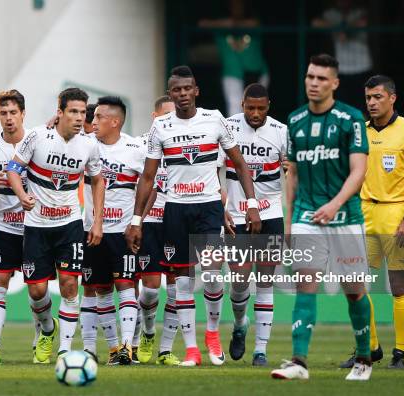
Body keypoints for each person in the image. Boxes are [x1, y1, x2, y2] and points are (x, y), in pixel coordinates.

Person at [126, 65, 261, 367]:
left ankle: (212, 336)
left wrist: (251, 203)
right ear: (171, 93)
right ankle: (191, 350)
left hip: (209, 207)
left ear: (196, 90)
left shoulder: (215, 119)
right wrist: (136, 220)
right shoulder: (160, 128)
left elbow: (239, 164)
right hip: (175, 209)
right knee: (182, 282)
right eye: (177, 90)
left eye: (188, 89)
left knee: (213, 274)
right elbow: (147, 178)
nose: (183, 94)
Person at [270, 54, 372, 381]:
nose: (314, 83)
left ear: (335, 83)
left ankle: (364, 358)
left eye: (321, 79)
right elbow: (294, 175)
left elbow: (359, 171)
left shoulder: (351, 119)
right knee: (305, 285)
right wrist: (289, 222)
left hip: (345, 217)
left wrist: (335, 204)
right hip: (305, 216)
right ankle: (299, 361)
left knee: (354, 291)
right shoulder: (295, 120)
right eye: (310, 77)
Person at [340, 75, 404, 370]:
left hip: (396, 213)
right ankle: (371, 347)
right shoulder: (360, 132)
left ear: (392, 98)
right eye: (368, 98)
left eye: (378, 97)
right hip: (365, 212)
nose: (372, 103)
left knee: (399, 285)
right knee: (357, 284)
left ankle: (400, 354)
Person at [6, 87, 105, 364]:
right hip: (36, 225)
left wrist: (97, 220)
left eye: (82, 112)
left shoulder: (88, 145)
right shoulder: (37, 136)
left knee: (69, 286)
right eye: (72, 111)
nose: (78, 117)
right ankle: (48, 329)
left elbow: (98, 180)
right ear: (59, 112)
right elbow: (14, 169)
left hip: (70, 224)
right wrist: (22, 195)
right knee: (37, 291)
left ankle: (64, 349)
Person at [218, 83, 287, 367]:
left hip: (271, 214)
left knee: (266, 282)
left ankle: (260, 350)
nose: (255, 113)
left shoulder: (282, 132)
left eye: (260, 108)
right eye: (250, 107)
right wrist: (221, 206)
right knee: (240, 280)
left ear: (268, 106)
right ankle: (239, 324)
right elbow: (214, 170)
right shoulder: (227, 127)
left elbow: (291, 175)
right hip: (236, 213)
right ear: (242, 104)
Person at [0, 89, 46, 363]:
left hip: (35, 227)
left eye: (13, 113)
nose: (8, 118)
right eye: (3, 113)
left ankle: (44, 331)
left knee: (37, 290)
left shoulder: (37, 142)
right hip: (4, 226)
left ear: (23, 114)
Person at [80, 96, 145, 365]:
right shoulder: (84, 146)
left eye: (98, 118)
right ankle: (113, 349)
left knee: (126, 285)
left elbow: (149, 184)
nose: (92, 122)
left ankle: (128, 347)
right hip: (90, 230)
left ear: (115, 122)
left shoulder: (135, 148)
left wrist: (137, 221)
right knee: (101, 289)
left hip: (122, 231)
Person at [135, 95, 181, 366]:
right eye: (165, 116)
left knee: (177, 290)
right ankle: (148, 332)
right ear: (155, 118)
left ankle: (165, 350)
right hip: (150, 222)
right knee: (151, 289)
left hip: (178, 220)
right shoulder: (139, 145)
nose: (170, 121)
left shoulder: (188, 142)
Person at [199, 0, 269, 115]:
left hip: (258, 71)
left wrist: (234, 24)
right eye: (234, 5)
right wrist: (226, 23)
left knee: (256, 109)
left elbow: (256, 23)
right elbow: (202, 23)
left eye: (240, 4)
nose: (237, 8)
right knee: (235, 109)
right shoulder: (221, 27)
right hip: (232, 73)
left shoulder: (252, 22)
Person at [312, 0, 373, 110]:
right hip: (342, 69)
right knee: (341, 108)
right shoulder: (331, 14)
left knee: (364, 107)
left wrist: (346, 30)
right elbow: (315, 23)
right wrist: (337, 28)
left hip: (362, 66)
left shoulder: (360, 12)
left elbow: (364, 22)